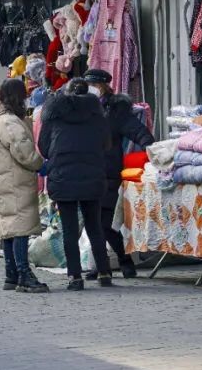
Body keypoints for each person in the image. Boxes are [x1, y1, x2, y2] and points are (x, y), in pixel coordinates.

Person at [38, 77, 112, 289]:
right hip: (92, 176)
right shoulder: (97, 116)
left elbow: (43, 147)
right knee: (95, 226)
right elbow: (106, 144)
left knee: (69, 230)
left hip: (63, 178)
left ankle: (75, 277)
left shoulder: (53, 116)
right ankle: (105, 273)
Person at [83, 68, 155, 278]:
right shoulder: (81, 108)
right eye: (89, 85)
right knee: (91, 222)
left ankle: (122, 260)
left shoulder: (116, 109)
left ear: (104, 86)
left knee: (104, 223)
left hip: (108, 172)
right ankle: (102, 265)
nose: (92, 90)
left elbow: (138, 132)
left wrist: (152, 151)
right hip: (86, 171)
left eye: (95, 86)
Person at [0, 79, 48, 294]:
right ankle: (24, 275)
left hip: (7, 182)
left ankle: (10, 274)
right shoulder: (9, 121)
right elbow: (24, 152)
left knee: (9, 229)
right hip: (15, 182)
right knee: (20, 229)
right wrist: (41, 164)